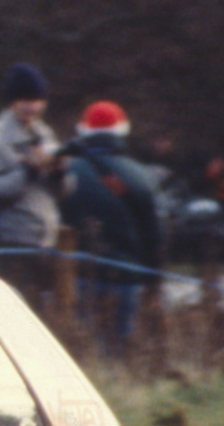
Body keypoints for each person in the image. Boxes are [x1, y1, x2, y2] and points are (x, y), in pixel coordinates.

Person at [56, 100, 165, 351]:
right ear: (123, 130)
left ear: (83, 131)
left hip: (79, 274)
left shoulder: (68, 170)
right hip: (127, 277)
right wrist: (154, 283)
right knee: (117, 349)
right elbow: (155, 234)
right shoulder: (142, 175)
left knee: (81, 351)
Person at [0, 63, 64, 302]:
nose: (32, 107)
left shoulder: (46, 134)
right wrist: (29, 170)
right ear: (12, 101)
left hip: (46, 241)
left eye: (38, 100)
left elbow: (64, 193)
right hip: (11, 243)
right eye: (25, 100)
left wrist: (60, 172)